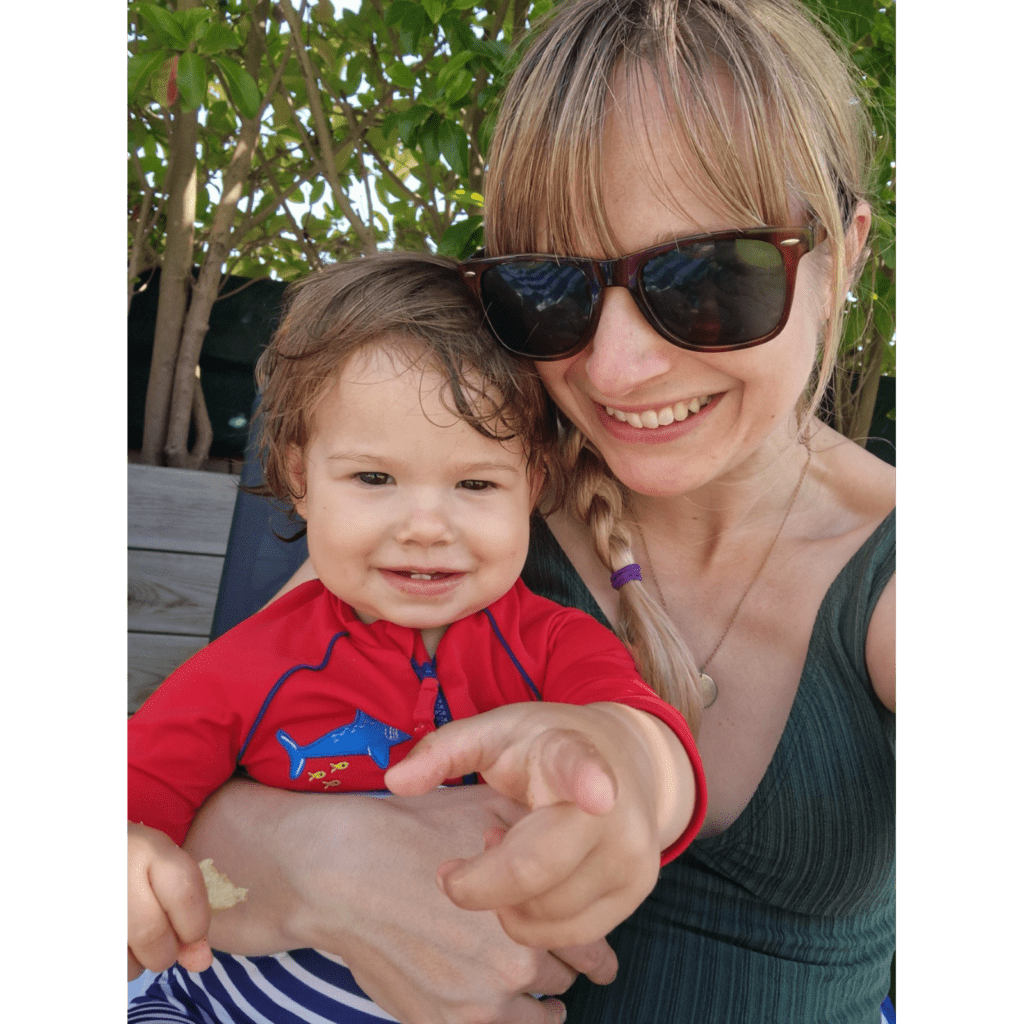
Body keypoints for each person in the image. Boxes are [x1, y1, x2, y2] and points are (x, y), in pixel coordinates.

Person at [158, 1, 896, 1021]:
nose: (616, 368)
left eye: (710, 277)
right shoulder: (463, 505)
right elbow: (190, 771)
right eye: (551, 287)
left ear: (843, 255)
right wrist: (324, 864)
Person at [127, 251, 705, 1023]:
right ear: (300, 478)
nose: (426, 527)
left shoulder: (556, 645)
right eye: (374, 479)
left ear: (531, 487)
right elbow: (133, 801)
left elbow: (646, 739)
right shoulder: (251, 666)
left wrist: (621, 766)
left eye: (475, 483)